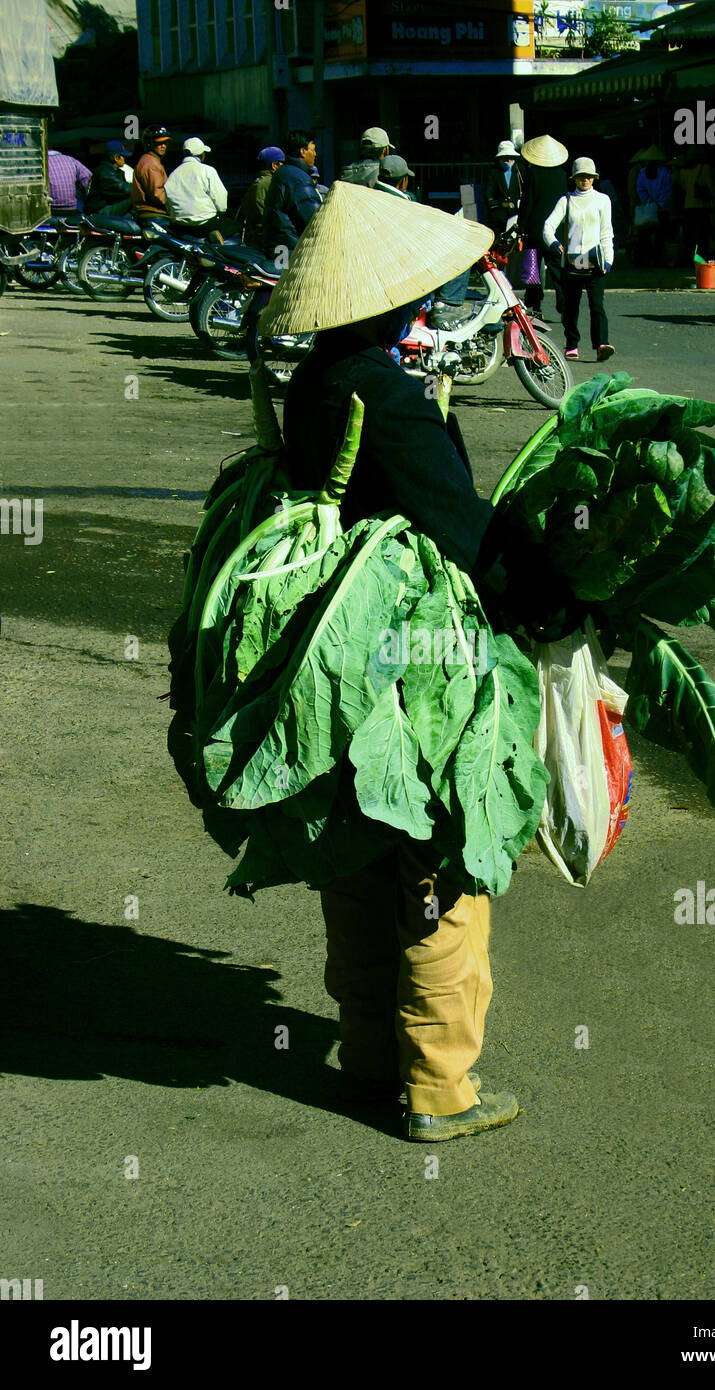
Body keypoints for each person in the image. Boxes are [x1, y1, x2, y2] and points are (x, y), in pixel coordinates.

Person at [257, 182, 581, 1142]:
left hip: (333, 644)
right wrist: (549, 601)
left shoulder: (317, 378)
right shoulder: (385, 397)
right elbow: (461, 527)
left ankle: (368, 1060)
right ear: (386, 300)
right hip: (409, 654)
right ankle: (443, 1090)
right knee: (444, 856)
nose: (427, 302)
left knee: (357, 855)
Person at [543, 156, 615, 362]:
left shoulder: (603, 200)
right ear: (574, 178)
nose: (585, 180)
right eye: (581, 176)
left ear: (594, 178)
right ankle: (572, 344)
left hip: (596, 260)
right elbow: (547, 226)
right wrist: (555, 244)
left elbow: (606, 232)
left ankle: (602, 344)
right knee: (571, 305)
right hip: (573, 259)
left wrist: (608, 260)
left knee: (597, 304)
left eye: (589, 177)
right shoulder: (565, 200)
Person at [517, 133, 568, 322]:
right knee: (557, 268)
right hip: (555, 229)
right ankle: (563, 304)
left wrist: (521, 226)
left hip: (535, 229)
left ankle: (535, 305)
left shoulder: (533, 174)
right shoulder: (563, 175)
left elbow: (527, 203)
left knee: (533, 268)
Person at [262, 129, 320, 256]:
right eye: (313, 149)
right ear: (302, 151)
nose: (315, 154)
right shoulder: (298, 178)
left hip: (279, 247)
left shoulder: (285, 172)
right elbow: (315, 219)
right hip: (292, 251)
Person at [164, 137, 233, 241]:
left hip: (180, 226)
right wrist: (221, 211)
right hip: (205, 224)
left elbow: (168, 203)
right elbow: (221, 201)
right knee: (235, 226)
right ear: (202, 154)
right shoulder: (207, 170)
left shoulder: (173, 175)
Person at [633, 145, 672, 267]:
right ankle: (658, 261)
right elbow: (667, 191)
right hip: (662, 209)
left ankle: (643, 261)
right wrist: (659, 204)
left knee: (644, 237)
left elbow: (640, 189)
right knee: (660, 237)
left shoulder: (642, 173)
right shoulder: (665, 172)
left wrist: (648, 202)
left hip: (648, 210)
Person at [238, 146, 284, 249]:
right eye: (282, 164)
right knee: (284, 264)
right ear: (274, 165)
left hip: (256, 240)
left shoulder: (256, 184)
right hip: (273, 241)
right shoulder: (272, 184)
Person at [677, 146, 715, 263]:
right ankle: (701, 260)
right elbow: (712, 188)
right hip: (702, 207)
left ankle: (689, 259)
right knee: (702, 236)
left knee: (689, 236)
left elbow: (683, 188)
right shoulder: (705, 168)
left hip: (688, 206)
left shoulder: (682, 172)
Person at [131, 125, 171, 224]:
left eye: (165, 142)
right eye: (159, 143)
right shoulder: (151, 164)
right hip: (154, 215)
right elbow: (157, 195)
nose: (163, 146)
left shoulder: (150, 160)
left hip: (153, 214)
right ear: (149, 143)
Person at [483, 139, 523, 237]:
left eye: (510, 157)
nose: (508, 160)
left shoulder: (520, 170)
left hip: (517, 215)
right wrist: (500, 204)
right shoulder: (493, 172)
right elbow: (489, 193)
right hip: (498, 217)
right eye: (505, 157)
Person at [84, 140, 133, 216]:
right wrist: (141, 188)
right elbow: (123, 189)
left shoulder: (110, 170)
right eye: (123, 156)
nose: (125, 159)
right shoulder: (105, 172)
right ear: (116, 157)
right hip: (99, 211)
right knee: (135, 199)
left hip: (106, 207)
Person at [47, 148, 91, 213]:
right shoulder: (71, 160)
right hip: (72, 208)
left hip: (52, 209)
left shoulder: (41, 163)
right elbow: (88, 178)